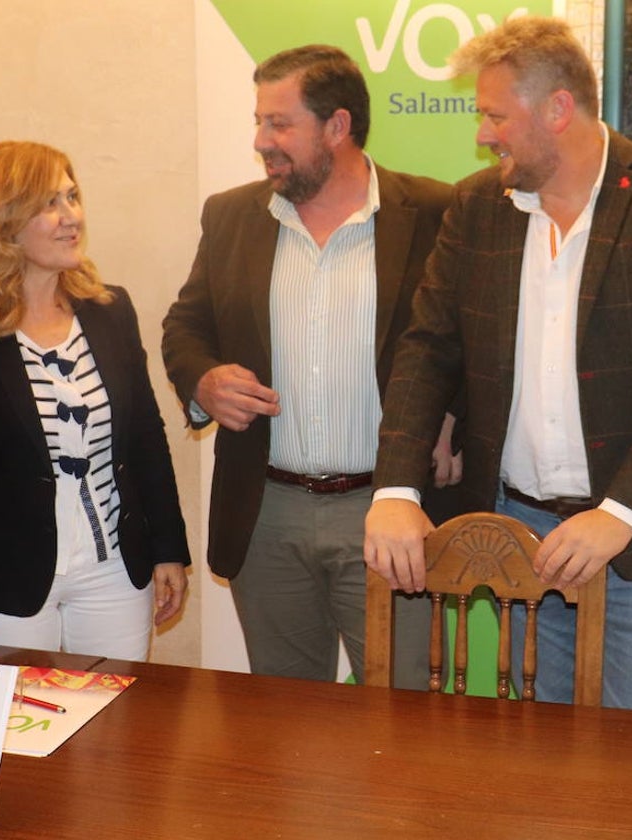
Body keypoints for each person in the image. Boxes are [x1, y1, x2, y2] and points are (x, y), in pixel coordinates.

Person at [364, 16, 632, 711]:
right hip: (516, 534)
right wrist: (394, 491)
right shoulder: (478, 205)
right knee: (538, 753)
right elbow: (427, 348)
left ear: (558, 110)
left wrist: (616, 515)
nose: (482, 133)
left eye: (495, 115)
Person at [161, 45, 456, 686]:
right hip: (266, 511)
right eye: (259, 122)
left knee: (401, 716)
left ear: (337, 127)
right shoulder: (232, 215)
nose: (261, 141)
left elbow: (469, 339)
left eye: (279, 124)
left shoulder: (434, 212)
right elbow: (186, 326)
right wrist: (204, 381)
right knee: (282, 722)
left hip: (387, 510)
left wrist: (456, 416)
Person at [0, 140, 191, 660]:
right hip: (5, 582)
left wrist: (169, 548)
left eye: (72, 196)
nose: (71, 217)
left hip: (115, 576)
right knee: (15, 733)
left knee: (114, 731)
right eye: (49, 204)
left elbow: (146, 436)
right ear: (1, 221)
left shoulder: (111, 311)